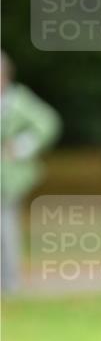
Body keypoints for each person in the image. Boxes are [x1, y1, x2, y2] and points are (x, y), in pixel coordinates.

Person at [1, 51, 62, 294]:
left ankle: (10, 283)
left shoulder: (18, 101)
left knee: (5, 229)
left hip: (8, 178)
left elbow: (48, 123)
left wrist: (22, 146)